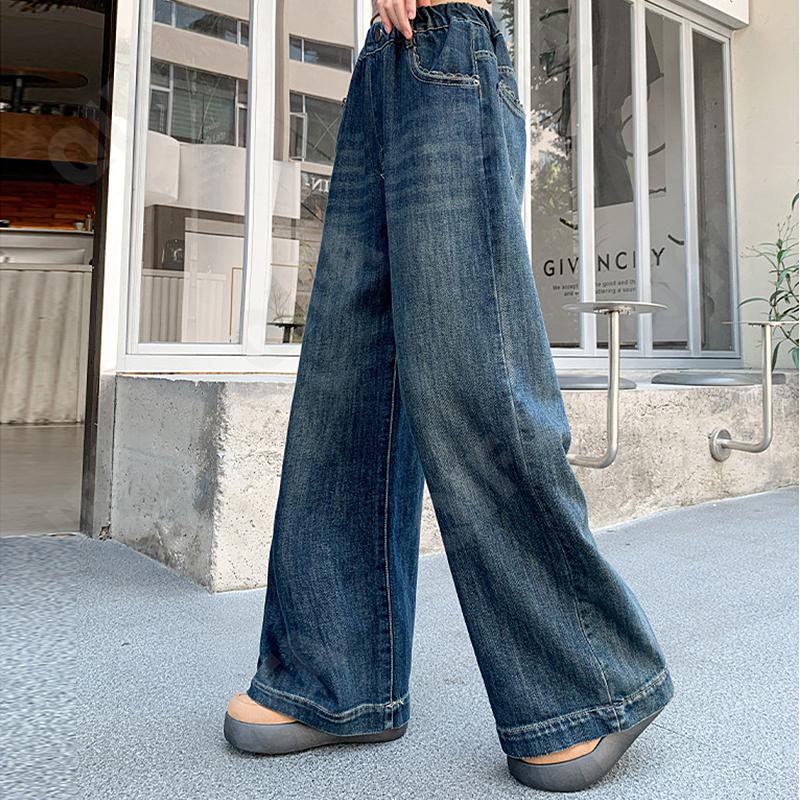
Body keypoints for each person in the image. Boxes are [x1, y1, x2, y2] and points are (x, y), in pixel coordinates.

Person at [224, 0, 675, 791]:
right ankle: (337, 678)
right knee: (348, 385)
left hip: (449, 46)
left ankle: (588, 685)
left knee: (472, 376)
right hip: (382, 62)